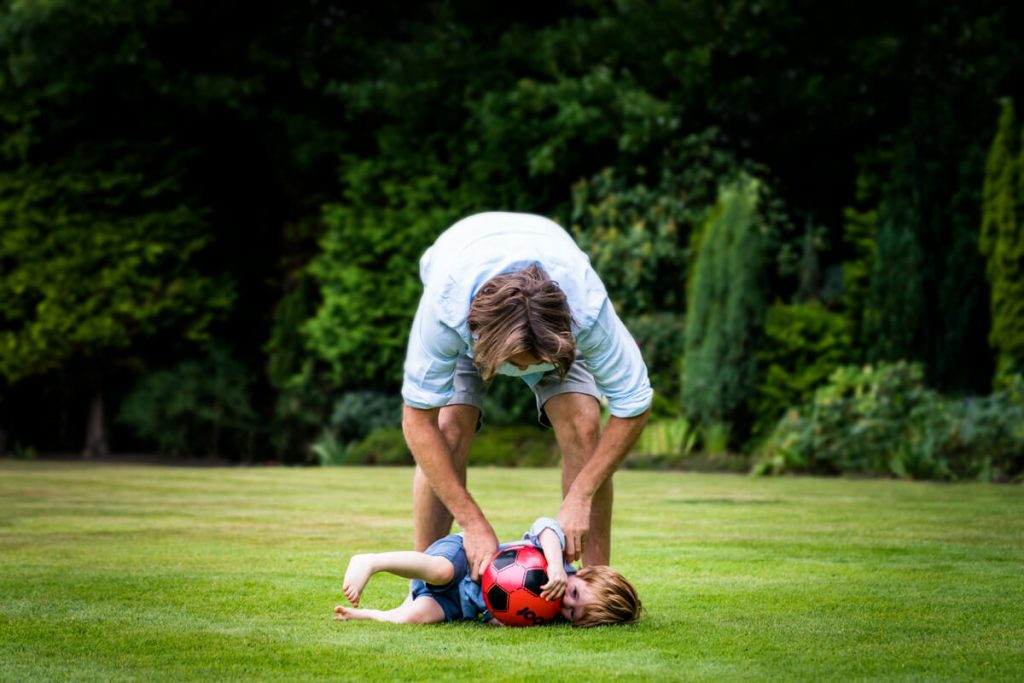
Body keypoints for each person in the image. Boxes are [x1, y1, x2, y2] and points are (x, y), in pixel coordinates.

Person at [402, 212, 653, 579]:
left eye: (532, 364)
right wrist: (472, 523)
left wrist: (581, 495)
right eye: (516, 364)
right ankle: (425, 585)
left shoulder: (586, 308)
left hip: (554, 332)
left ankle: (595, 587)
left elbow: (635, 404)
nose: (523, 372)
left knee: (584, 426)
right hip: (469, 322)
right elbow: (417, 422)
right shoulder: (445, 309)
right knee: (449, 429)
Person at [333, 517, 641, 627]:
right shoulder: (555, 558)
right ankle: (371, 561)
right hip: (465, 558)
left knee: (415, 617)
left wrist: (502, 619)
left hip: (457, 603)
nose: (565, 602)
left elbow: (512, 614)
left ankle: (369, 615)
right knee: (440, 571)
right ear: (583, 574)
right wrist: (557, 566)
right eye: (574, 593)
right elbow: (545, 525)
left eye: (573, 613)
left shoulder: (547, 614)